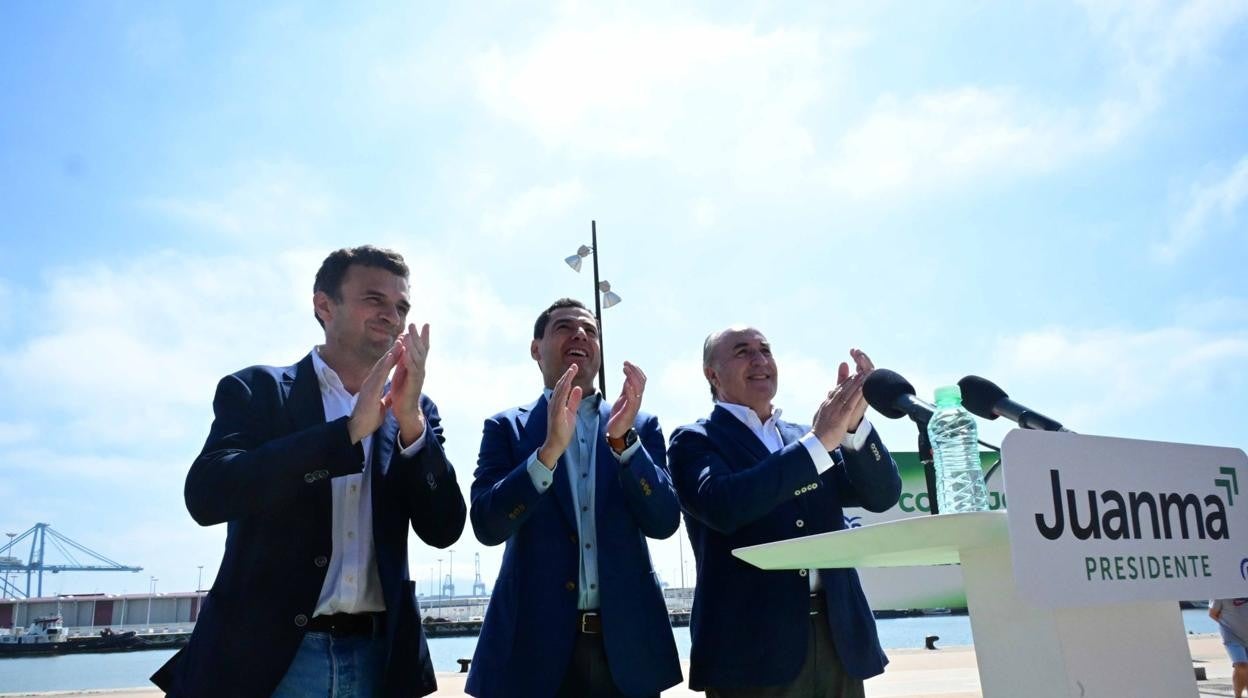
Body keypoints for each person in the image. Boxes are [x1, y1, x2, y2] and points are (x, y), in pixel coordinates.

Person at [152, 246, 467, 698]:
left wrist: (414, 426)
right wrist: (346, 434)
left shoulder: (414, 412)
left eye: (401, 307)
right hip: (270, 662)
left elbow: (444, 529)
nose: (391, 316)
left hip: (381, 660)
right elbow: (207, 494)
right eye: (374, 299)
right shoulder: (258, 390)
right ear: (324, 305)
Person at [667, 326, 902, 697]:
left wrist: (854, 426)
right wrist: (818, 444)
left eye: (765, 349)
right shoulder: (694, 440)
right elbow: (723, 505)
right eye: (743, 351)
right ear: (712, 374)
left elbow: (881, 495)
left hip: (836, 639)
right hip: (751, 653)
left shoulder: (807, 436)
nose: (760, 360)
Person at [465, 298, 682, 698]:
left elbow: (665, 522)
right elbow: (487, 525)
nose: (580, 334)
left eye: (591, 330)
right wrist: (547, 453)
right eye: (564, 327)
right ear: (536, 348)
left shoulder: (640, 424)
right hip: (532, 653)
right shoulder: (505, 428)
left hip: (628, 652)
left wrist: (626, 445)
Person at [1211, 598, 1248, 698]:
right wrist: (1229, 625)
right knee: (1241, 666)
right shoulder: (1222, 590)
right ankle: (1238, 696)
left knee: (1246, 670)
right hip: (1231, 636)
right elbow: (1212, 613)